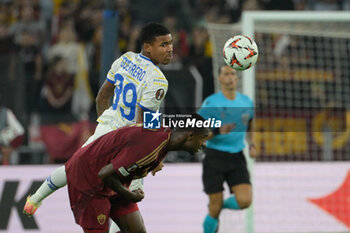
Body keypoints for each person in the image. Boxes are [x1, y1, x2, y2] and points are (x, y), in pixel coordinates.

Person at [23, 21, 173, 226]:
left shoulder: (125, 59)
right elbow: (144, 123)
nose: (170, 49)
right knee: (127, 195)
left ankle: (35, 199)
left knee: (76, 166)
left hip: (106, 127)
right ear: (147, 46)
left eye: (170, 43)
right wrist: (153, 156)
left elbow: (102, 97)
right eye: (163, 45)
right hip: (127, 141)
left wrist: (106, 126)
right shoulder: (158, 80)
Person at [40, 117, 209, 233]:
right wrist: (130, 195)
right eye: (203, 138)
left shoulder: (163, 136)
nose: (204, 144)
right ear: (190, 136)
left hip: (112, 181)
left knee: (137, 230)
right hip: (88, 180)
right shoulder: (150, 148)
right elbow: (105, 174)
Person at [198, 65, 256, 233]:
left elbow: (251, 123)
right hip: (214, 157)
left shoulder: (246, 102)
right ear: (220, 79)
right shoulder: (211, 103)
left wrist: (251, 143)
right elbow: (196, 131)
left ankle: (217, 205)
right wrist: (217, 130)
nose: (230, 77)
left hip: (237, 156)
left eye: (233, 74)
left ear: (237, 78)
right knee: (214, 211)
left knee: (245, 201)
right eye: (226, 74)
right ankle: (215, 208)